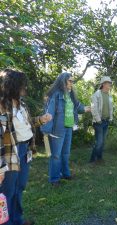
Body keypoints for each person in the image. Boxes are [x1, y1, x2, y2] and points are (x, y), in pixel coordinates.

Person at [0, 69, 52, 225]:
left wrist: (40, 120)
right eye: (22, 84)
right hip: (9, 154)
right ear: (12, 85)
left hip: (25, 150)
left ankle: (17, 219)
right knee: (8, 191)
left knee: (20, 186)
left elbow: (26, 125)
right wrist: (1, 168)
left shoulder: (21, 103)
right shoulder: (2, 107)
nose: (25, 88)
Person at [40, 72, 90, 186]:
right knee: (56, 155)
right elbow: (49, 113)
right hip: (57, 129)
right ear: (63, 81)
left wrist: (88, 109)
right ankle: (54, 179)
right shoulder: (56, 95)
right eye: (70, 81)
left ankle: (65, 174)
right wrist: (46, 131)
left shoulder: (70, 95)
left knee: (66, 153)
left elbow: (78, 107)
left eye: (72, 81)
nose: (72, 83)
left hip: (68, 128)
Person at [89, 76, 113, 163]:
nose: (110, 85)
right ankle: (92, 160)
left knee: (102, 142)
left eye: (110, 83)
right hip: (98, 122)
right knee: (99, 142)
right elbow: (93, 108)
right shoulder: (96, 95)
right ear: (103, 84)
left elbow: (110, 109)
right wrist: (98, 119)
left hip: (106, 121)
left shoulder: (109, 96)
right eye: (108, 83)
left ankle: (99, 158)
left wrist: (111, 118)